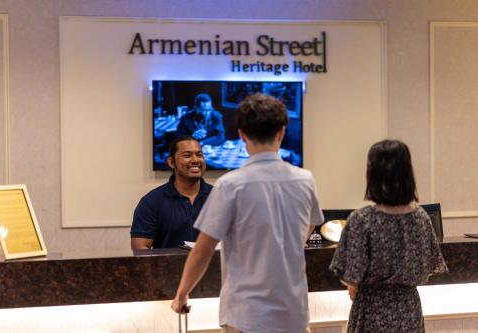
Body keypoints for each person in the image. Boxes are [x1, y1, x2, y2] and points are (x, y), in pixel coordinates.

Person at [171, 93, 324, 333]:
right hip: (294, 314)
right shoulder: (305, 180)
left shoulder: (230, 184)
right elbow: (312, 224)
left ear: (242, 135)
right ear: (282, 132)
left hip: (246, 316)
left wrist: (182, 294)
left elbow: (202, 249)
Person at [329, 139, 448, 333]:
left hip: (371, 311)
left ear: (371, 174)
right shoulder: (421, 218)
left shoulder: (362, 220)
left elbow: (351, 278)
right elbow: (429, 266)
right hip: (409, 311)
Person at [130, 135, 212, 249]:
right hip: (167, 267)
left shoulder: (219, 196)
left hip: (214, 266)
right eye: (187, 155)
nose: (195, 160)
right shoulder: (152, 201)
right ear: (171, 162)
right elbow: (140, 248)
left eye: (199, 155)